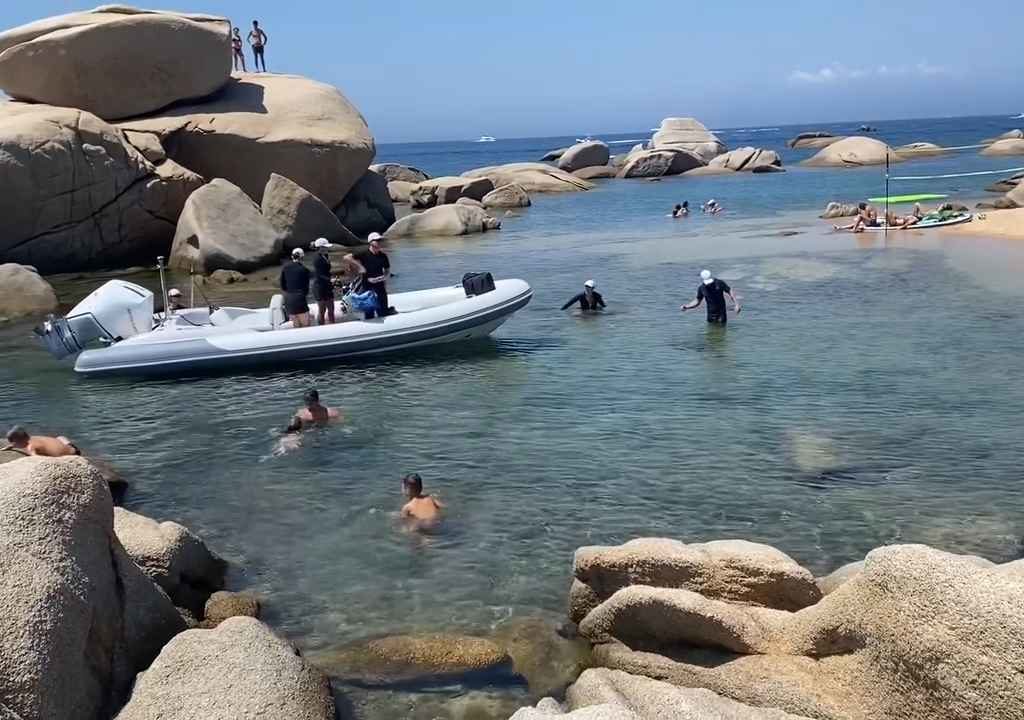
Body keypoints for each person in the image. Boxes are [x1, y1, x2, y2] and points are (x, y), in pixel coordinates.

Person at [344, 233, 391, 319]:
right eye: (377, 240)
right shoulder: (364, 253)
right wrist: (360, 267)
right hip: (367, 289)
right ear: (371, 242)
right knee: (369, 314)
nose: (379, 242)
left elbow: (387, 271)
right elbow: (347, 257)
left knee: (383, 313)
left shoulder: (383, 256)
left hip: (380, 288)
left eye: (380, 240)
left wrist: (383, 277)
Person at [280, 248, 311, 328]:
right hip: (299, 299)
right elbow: (306, 287)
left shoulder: (285, 267)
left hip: (288, 299)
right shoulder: (304, 270)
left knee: (296, 326)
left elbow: (282, 284)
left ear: (292, 256)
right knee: (306, 325)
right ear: (302, 257)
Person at [5, 426, 80, 457]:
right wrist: (10, 447)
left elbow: (37, 459)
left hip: (73, 454)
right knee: (60, 437)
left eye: (13, 442)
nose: (13, 444)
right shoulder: (34, 437)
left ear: (19, 441)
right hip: (70, 446)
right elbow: (18, 444)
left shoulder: (31, 447)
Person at [311, 238, 336, 325]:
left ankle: (333, 325)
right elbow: (319, 274)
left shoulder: (325, 256)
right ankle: (321, 327)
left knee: (331, 308)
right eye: (325, 247)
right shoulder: (317, 259)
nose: (327, 249)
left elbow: (326, 271)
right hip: (319, 287)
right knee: (322, 310)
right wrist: (330, 279)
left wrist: (331, 279)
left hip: (327, 286)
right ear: (320, 248)